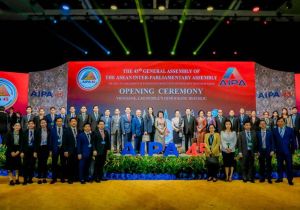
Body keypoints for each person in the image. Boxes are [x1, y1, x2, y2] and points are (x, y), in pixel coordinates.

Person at [273, 117, 296, 185]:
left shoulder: (290, 130)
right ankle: (280, 178)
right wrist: (274, 150)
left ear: (284, 122)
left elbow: (293, 141)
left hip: (287, 152)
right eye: (279, 121)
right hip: (278, 151)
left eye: (281, 121)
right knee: (279, 166)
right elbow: (273, 141)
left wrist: (293, 151)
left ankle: (290, 180)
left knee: (289, 166)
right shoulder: (274, 130)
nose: (280, 122)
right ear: (277, 123)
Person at [50, 117, 67, 184]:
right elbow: (50, 140)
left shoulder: (65, 129)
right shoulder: (52, 130)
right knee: (54, 164)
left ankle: (62, 178)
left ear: (62, 122)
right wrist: (50, 150)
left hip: (63, 149)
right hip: (55, 149)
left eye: (60, 121)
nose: (59, 122)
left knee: (63, 164)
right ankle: (54, 178)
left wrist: (66, 150)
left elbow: (66, 140)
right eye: (58, 121)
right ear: (56, 122)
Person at [34, 118, 50, 184]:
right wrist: (35, 151)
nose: (43, 124)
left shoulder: (49, 130)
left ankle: (44, 178)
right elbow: (35, 141)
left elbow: (50, 141)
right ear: (40, 124)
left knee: (45, 164)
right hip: (39, 148)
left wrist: (50, 150)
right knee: (40, 164)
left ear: (46, 123)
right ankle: (39, 178)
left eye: (44, 122)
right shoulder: (37, 131)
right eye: (42, 123)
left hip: (46, 148)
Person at [21, 120, 37, 185]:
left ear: (34, 125)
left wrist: (35, 151)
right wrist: (22, 152)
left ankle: (30, 179)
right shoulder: (24, 132)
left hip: (33, 151)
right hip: (26, 151)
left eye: (32, 124)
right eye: (29, 124)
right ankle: (25, 180)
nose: (30, 125)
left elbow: (37, 143)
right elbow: (22, 143)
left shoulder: (37, 132)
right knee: (25, 166)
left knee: (32, 165)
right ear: (28, 125)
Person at [63, 117, 79, 184]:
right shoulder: (66, 130)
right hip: (69, 151)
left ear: (76, 122)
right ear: (70, 123)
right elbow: (64, 141)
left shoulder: (79, 130)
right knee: (70, 165)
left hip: (77, 150)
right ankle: (70, 178)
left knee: (76, 164)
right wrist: (65, 150)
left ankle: (75, 177)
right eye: (72, 121)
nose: (74, 122)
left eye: (75, 121)